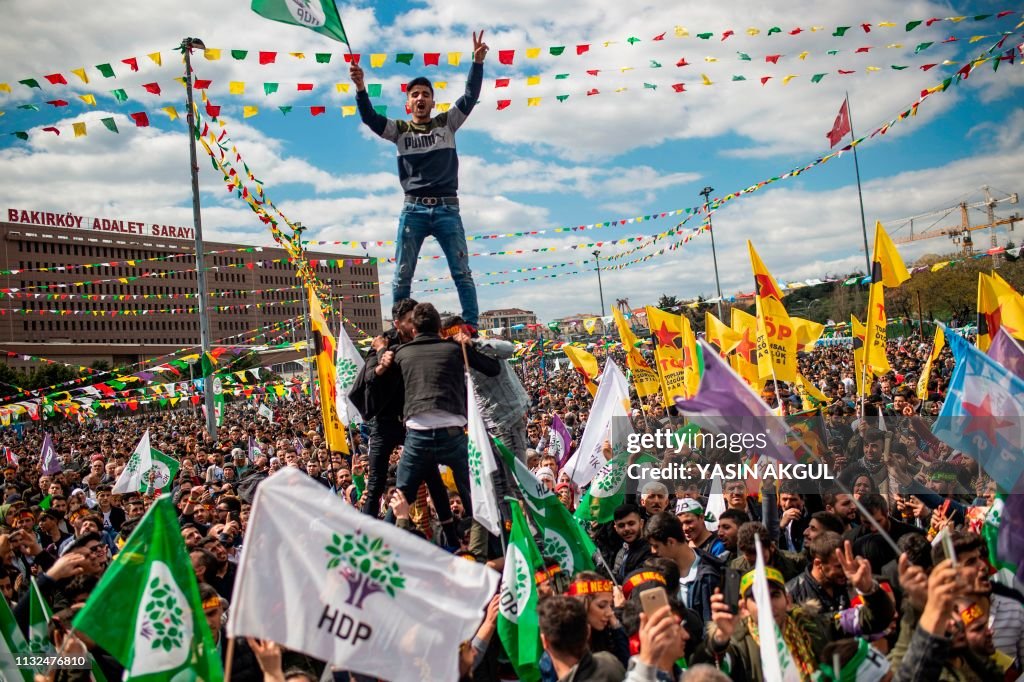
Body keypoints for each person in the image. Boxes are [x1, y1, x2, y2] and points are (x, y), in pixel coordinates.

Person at [349, 33, 489, 328]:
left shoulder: (447, 123)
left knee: (461, 271)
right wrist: (361, 88)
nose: (421, 98)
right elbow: (370, 119)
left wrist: (476, 63)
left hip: (448, 209)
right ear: (408, 104)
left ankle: (472, 324)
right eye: (415, 95)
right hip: (413, 210)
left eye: (425, 94)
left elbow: (470, 98)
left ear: (432, 101)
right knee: (402, 274)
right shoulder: (399, 130)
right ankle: (401, 328)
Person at [390, 303, 500, 547]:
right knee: (476, 494)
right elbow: (493, 368)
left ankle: (379, 554)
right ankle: (494, 553)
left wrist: (381, 355)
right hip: (453, 435)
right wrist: (469, 344)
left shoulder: (402, 353)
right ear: (440, 327)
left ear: (414, 328)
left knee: (401, 497)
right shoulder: (453, 348)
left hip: (417, 437)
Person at [537, 595, 625, 682]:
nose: (610, 613)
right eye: (602, 605)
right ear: (588, 631)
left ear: (544, 641)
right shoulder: (610, 663)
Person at [612, 503, 653, 583]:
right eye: (621, 525)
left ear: (641, 523)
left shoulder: (651, 550)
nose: (626, 529)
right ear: (616, 528)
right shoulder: (621, 551)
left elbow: (634, 582)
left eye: (631, 524)